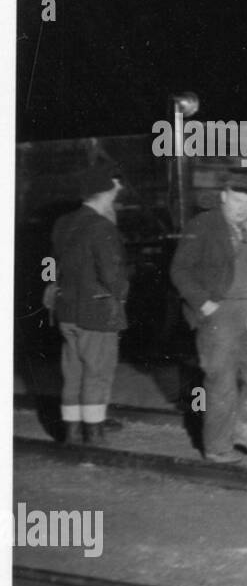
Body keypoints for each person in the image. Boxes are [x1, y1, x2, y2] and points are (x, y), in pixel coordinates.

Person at [170, 174, 247, 462]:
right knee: (221, 380)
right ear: (223, 196)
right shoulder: (204, 224)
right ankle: (217, 446)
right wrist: (204, 303)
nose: (242, 208)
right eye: (237, 200)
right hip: (221, 313)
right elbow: (180, 270)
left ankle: (245, 428)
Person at [51, 163, 128, 446]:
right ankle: (94, 436)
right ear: (104, 192)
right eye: (113, 188)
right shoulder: (101, 226)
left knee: (73, 372)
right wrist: (121, 295)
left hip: (66, 311)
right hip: (96, 313)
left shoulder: (63, 223)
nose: (116, 193)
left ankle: (72, 433)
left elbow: (56, 266)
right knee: (97, 373)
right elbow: (113, 275)